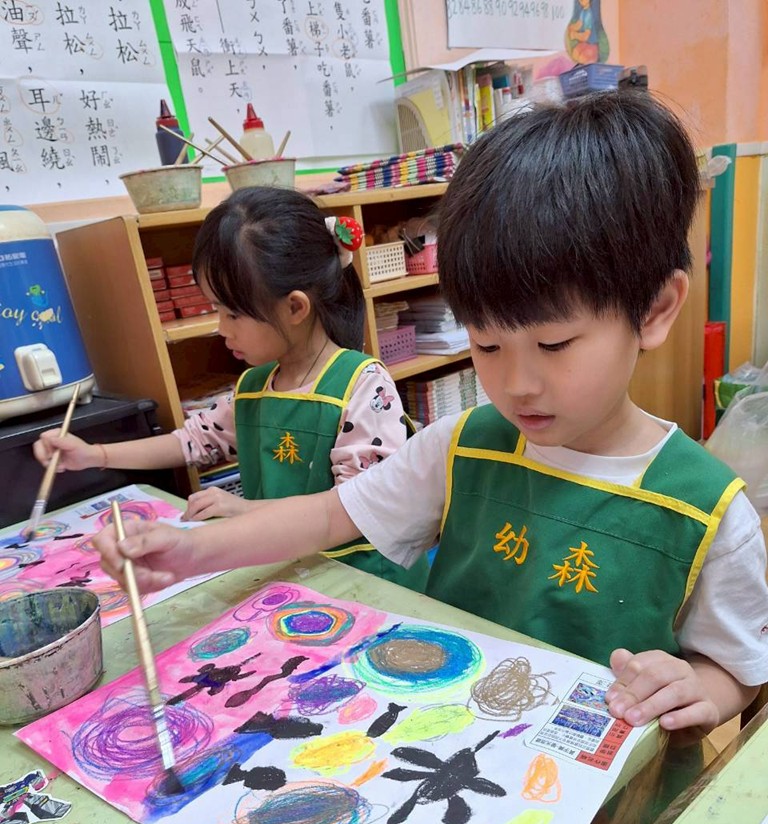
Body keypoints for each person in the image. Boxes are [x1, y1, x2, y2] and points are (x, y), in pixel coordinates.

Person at [94, 91, 768, 737]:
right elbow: (328, 517)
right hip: (454, 741)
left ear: (653, 310)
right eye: (486, 345)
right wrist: (192, 551)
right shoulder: (460, 447)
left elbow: (736, 671)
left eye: (554, 345)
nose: (516, 385)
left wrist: (699, 691)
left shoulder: (708, 510)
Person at [34, 186, 428, 591]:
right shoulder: (254, 387)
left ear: (295, 307)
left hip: (362, 582)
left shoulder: (362, 384)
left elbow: (353, 508)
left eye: (232, 314)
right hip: (288, 572)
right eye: (215, 310)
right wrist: (94, 454)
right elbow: (191, 441)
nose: (221, 329)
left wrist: (244, 510)